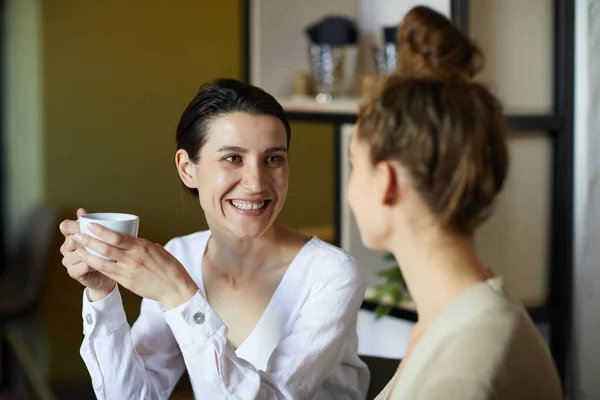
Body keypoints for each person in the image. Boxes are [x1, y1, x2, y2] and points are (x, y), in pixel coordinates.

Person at [58, 78, 370, 399]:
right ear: (187, 169)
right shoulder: (180, 255)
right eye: (233, 158)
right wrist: (102, 292)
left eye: (273, 158)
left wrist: (180, 294)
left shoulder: (331, 274)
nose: (256, 183)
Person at [346, 6, 562, 400]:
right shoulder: (454, 320)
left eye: (353, 164)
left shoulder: (463, 376)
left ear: (385, 182)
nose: (349, 189)